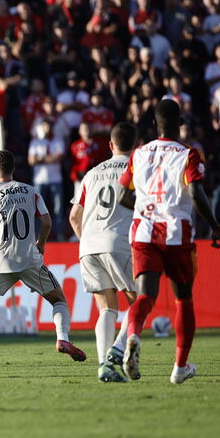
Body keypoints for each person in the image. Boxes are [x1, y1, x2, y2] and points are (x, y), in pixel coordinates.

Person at [117, 99, 220, 384]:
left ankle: (132, 336)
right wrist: (214, 226)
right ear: (180, 123)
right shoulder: (189, 154)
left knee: (144, 297)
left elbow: (121, 196)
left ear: (155, 123)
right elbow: (196, 194)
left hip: (143, 233)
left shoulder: (139, 154)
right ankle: (180, 367)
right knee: (183, 300)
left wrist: (144, 205)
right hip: (176, 234)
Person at [0, 150, 87, 366]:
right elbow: (46, 221)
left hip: (0, 261)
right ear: (13, 169)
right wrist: (40, 244)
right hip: (29, 259)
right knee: (58, 300)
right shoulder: (30, 191)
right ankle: (62, 339)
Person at [68, 122, 138, 382]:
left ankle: (103, 366)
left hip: (88, 245)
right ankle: (115, 353)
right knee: (140, 300)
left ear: (110, 145)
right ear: (136, 145)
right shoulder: (136, 168)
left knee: (107, 309)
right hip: (119, 241)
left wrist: (86, 240)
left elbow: (74, 216)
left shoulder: (92, 172)